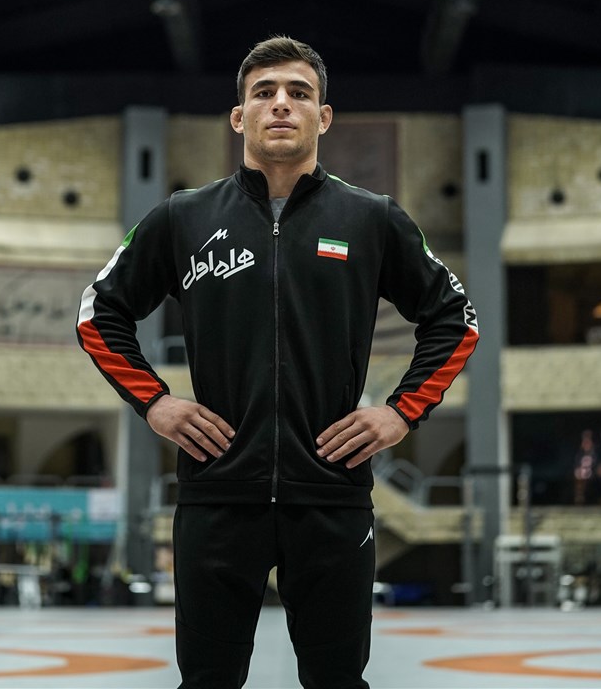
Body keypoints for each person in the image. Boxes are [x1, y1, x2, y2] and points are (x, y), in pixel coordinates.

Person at [77, 36, 478, 688]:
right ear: (240, 117)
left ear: (324, 116)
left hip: (332, 496)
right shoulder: (184, 217)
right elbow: (99, 313)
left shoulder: (371, 218)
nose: (281, 104)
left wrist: (400, 414)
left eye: (299, 92)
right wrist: (155, 401)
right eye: (264, 93)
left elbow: (456, 318)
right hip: (216, 495)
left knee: (337, 681)